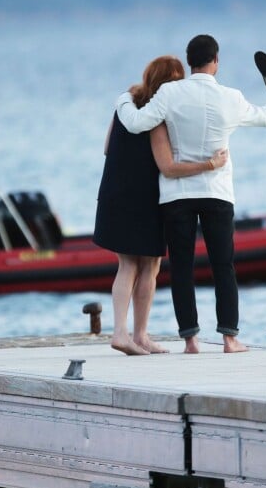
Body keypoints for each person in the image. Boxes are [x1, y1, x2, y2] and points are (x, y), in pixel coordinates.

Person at [116, 35, 266, 354]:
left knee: (181, 267)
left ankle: (190, 340)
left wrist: (123, 100)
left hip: (177, 195)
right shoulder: (231, 97)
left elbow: (136, 123)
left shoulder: (170, 93)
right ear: (216, 61)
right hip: (218, 191)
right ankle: (229, 339)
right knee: (223, 265)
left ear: (189, 61)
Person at [93, 55, 228, 356]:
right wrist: (210, 163)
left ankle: (133, 335)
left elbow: (106, 148)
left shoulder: (125, 105)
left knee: (126, 264)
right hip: (144, 197)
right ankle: (129, 334)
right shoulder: (161, 115)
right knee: (146, 266)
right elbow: (167, 165)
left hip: (114, 193)